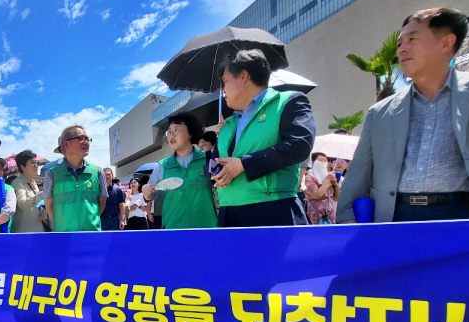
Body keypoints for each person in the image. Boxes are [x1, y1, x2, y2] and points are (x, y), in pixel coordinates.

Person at [338, 7, 469, 222]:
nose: (402, 49)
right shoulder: (380, 112)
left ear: (446, 42)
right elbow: (358, 174)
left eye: (412, 39)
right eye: (400, 43)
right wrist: (347, 220)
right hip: (397, 219)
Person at [212, 49, 316, 227]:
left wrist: (245, 164)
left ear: (243, 76)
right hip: (229, 213)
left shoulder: (288, 101)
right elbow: (215, 163)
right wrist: (215, 170)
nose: (223, 90)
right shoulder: (228, 124)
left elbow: (299, 145)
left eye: (225, 81)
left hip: (274, 210)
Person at [142, 112, 218, 229]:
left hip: (207, 229)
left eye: (176, 130)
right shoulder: (162, 166)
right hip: (174, 231)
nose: (171, 134)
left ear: (190, 133)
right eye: (169, 131)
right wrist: (146, 192)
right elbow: (150, 196)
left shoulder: (207, 159)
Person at [44, 125, 107, 231]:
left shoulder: (97, 172)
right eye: (81, 138)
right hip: (64, 236)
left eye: (88, 139)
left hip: (91, 234)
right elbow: (48, 205)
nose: (86, 142)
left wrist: (89, 221)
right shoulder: (52, 174)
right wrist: (59, 226)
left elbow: (102, 203)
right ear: (66, 145)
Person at [11, 150, 48, 233]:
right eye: (32, 163)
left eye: (37, 163)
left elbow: (36, 204)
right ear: (22, 167)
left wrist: (43, 211)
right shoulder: (17, 182)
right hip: (23, 232)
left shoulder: (34, 182)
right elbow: (22, 204)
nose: (36, 166)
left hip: (37, 230)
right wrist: (40, 195)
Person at [305, 152, 340, 224]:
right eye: (320, 160)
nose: (323, 162)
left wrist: (335, 184)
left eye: (325, 160)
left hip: (331, 213)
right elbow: (316, 195)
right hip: (316, 214)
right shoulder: (309, 177)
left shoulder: (329, 176)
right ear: (313, 162)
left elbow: (336, 197)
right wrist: (327, 181)